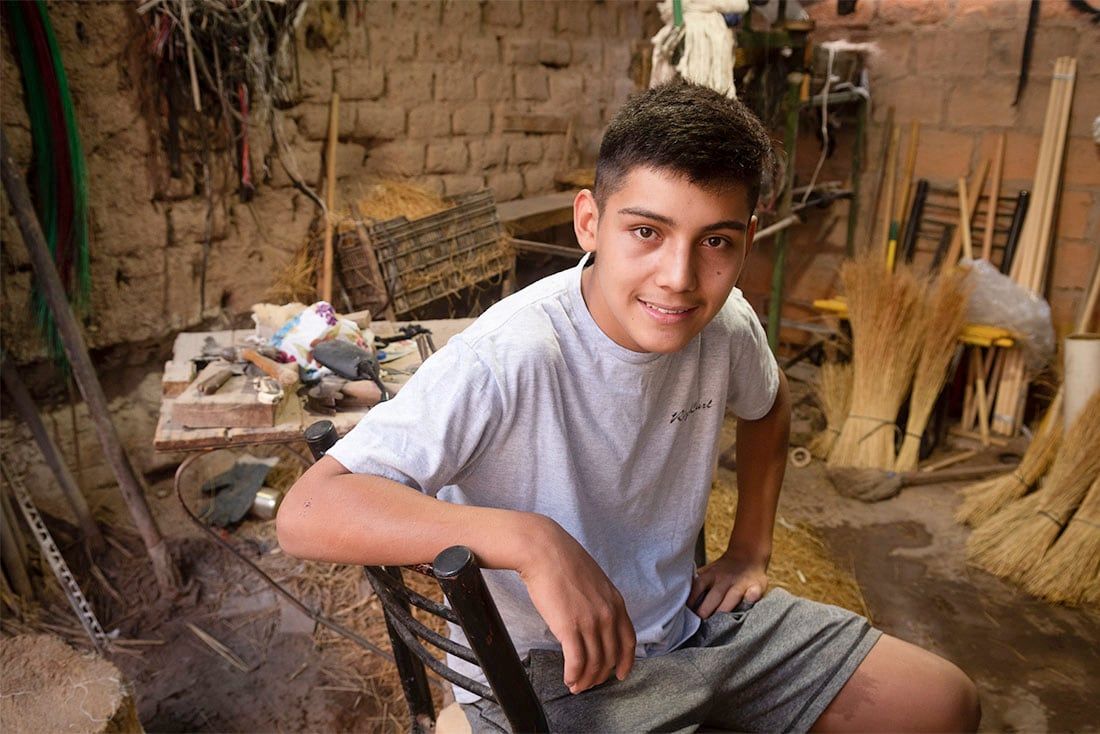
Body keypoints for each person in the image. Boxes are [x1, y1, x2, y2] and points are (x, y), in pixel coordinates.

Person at [277, 82, 980, 733]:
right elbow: (308, 513)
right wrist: (530, 539)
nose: (678, 279)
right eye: (647, 231)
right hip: (556, 671)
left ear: (747, 243)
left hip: (690, 629)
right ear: (591, 221)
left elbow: (769, 405)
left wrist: (749, 550)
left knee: (944, 702)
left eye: (715, 243)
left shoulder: (728, 325)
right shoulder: (509, 355)